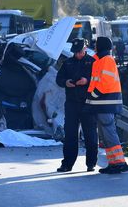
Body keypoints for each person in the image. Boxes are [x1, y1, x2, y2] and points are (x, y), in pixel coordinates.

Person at [85, 36, 128, 174]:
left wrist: (92, 95)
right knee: (106, 135)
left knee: (109, 134)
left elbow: (105, 83)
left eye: (96, 45)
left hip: (105, 103)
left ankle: (120, 163)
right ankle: (114, 163)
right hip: (102, 103)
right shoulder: (100, 60)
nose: (95, 47)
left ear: (101, 46)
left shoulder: (106, 60)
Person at [55, 38, 98, 173]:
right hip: (72, 104)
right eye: (75, 52)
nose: (77, 54)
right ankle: (67, 164)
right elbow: (59, 79)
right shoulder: (67, 63)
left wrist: (87, 81)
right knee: (70, 135)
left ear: (85, 49)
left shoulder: (92, 62)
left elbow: (99, 80)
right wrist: (66, 82)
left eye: (79, 51)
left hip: (88, 103)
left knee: (90, 135)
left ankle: (91, 163)